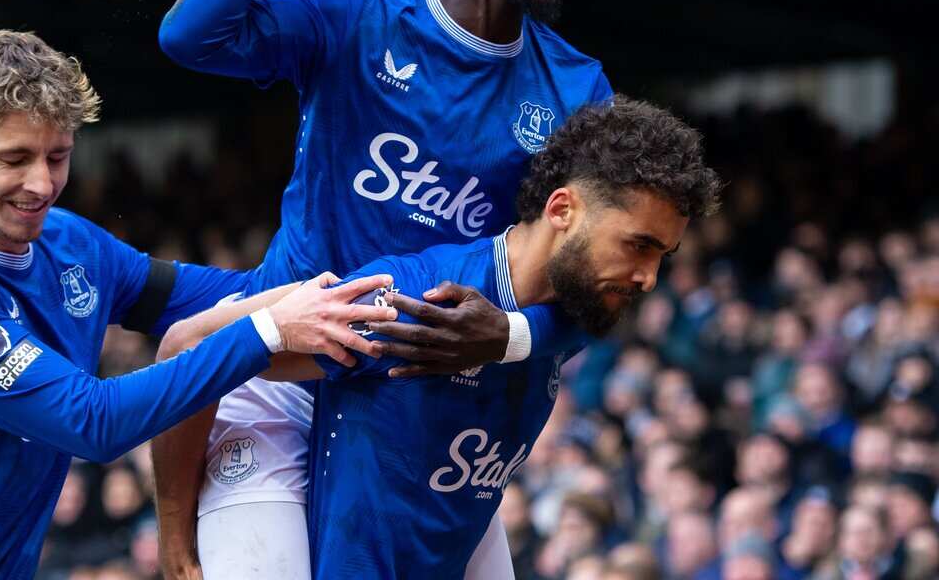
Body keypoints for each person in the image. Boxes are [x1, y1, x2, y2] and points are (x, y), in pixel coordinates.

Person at [154, 0, 613, 578]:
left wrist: (508, 335)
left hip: (419, 404)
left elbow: (598, 286)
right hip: (281, 377)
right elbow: (191, 34)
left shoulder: (577, 91)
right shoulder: (356, 13)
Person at [0, 29, 397, 579]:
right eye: (14, 158)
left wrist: (366, 288)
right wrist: (269, 331)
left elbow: (227, 295)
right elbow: (93, 422)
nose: (42, 184)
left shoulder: (69, 241)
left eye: (58, 155)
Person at [158, 98, 721, 578]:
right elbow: (188, 347)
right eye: (638, 245)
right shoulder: (417, 302)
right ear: (562, 210)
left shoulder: (577, 308)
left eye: (662, 256)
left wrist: (509, 337)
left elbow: (543, 329)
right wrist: (175, 544)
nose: (649, 277)